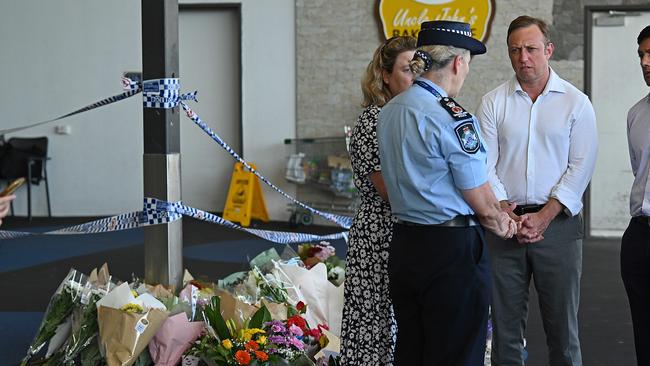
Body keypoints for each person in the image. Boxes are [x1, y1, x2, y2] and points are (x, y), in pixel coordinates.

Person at [378, 21, 518, 365]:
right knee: (457, 353)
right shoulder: (454, 118)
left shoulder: (390, 111)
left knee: (412, 348)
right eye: (469, 61)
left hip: (405, 244)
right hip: (451, 250)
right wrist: (506, 225)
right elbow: (482, 203)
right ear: (458, 62)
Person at [476, 15, 598, 366]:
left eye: (530, 49)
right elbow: (484, 165)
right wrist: (503, 209)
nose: (523, 57)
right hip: (504, 226)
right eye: (515, 50)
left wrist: (544, 216)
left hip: (557, 226)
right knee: (505, 330)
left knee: (562, 330)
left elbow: (581, 167)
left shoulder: (577, 103)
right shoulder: (492, 103)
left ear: (549, 50)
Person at [339, 35, 416, 366]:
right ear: (385, 76)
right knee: (375, 327)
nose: (415, 77)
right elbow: (389, 190)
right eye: (406, 69)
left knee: (401, 325)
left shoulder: (408, 117)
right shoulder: (374, 121)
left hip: (405, 230)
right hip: (378, 235)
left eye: (419, 69)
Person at [622, 24, 650, 366]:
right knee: (644, 337)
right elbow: (638, 171)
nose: (645, 62)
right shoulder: (635, 114)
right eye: (641, 55)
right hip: (640, 236)